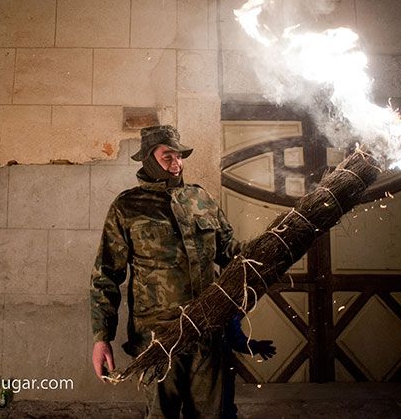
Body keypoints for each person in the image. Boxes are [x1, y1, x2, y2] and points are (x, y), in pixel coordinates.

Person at [89, 125, 274, 418]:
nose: (177, 164)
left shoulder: (201, 200)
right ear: (149, 160)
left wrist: (271, 248)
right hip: (158, 338)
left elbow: (232, 255)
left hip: (208, 332)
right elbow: (105, 275)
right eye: (168, 157)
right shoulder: (127, 207)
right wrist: (102, 337)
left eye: (179, 157)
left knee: (215, 414)